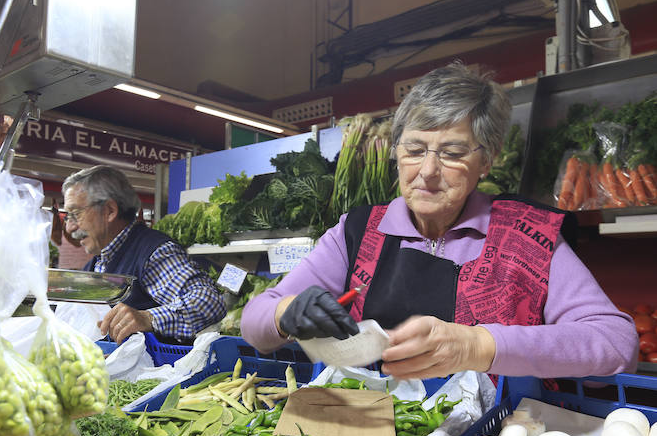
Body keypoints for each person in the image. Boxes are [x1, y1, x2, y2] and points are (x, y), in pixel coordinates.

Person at [241, 62, 638, 379]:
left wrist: (478, 346)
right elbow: (254, 323)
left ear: (487, 160)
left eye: (452, 152)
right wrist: (284, 312)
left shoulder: (528, 236)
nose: (428, 171)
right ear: (395, 152)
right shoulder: (357, 232)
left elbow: (617, 344)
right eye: (414, 149)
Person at [62, 165, 225, 343]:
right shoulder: (96, 263)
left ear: (110, 211)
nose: (70, 228)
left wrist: (148, 318)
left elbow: (209, 301)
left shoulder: (153, 253)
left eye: (75, 214)